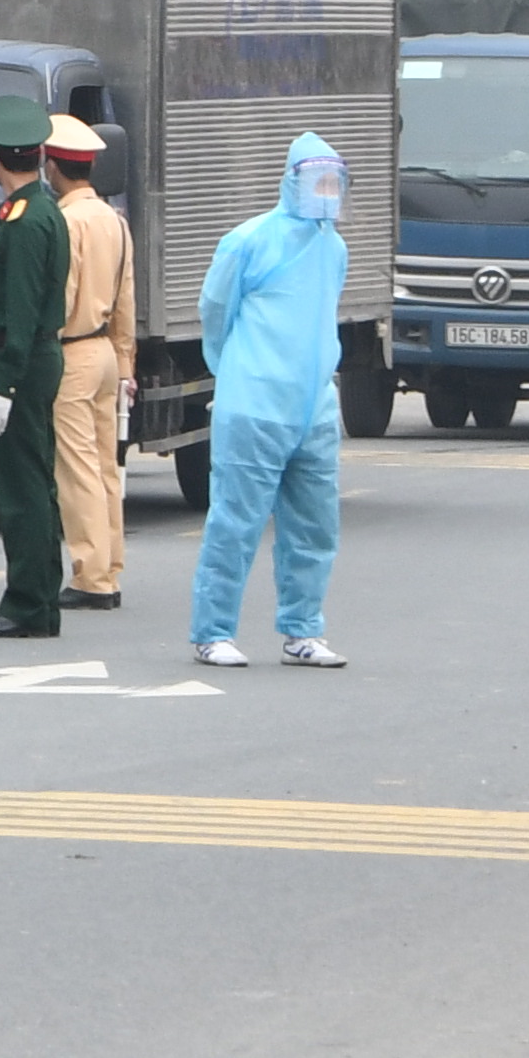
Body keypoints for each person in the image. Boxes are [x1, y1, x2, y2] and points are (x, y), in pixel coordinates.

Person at [186, 131, 354, 669]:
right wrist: (233, 371)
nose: (325, 192)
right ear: (291, 179)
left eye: (333, 181)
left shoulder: (334, 246)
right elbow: (216, 310)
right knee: (235, 521)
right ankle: (213, 631)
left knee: (314, 525)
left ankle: (303, 630)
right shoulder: (249, 240)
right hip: (255, 403)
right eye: (316, 180)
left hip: (315, 407)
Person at [0, 93, 70, 638]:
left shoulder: (27, 221)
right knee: (35, 484)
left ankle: (27, 603)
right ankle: (41, 602)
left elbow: (25, 310)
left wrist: (2, 384)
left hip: (23, 364)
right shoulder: (37, 209)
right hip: (28, 355)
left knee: (22, 490)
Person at [46, 112, 137, 609]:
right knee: (105, 467)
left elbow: (63, 297)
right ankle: (110, 566)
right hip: (105, 350)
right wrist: (126, 365)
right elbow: (126, 299)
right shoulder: (113, 221)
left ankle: (90, 576)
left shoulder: (68, 222)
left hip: (74, 350)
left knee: (77, 469)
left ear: (53, 168)